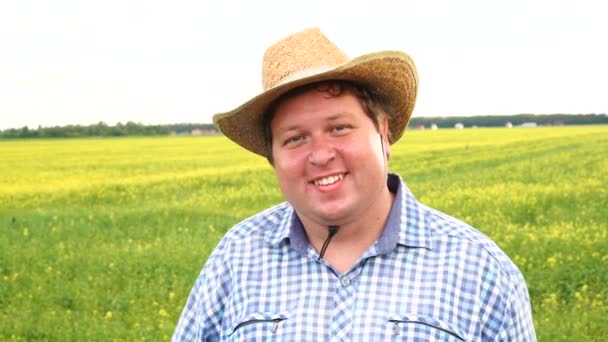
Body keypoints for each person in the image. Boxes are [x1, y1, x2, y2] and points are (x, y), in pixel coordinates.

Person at [173, 28, 536, 341]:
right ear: (274, 159)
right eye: (295, 139)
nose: (320, 155)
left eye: (339, 128)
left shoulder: (479, 268)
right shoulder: (236, 257)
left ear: (383, 135)